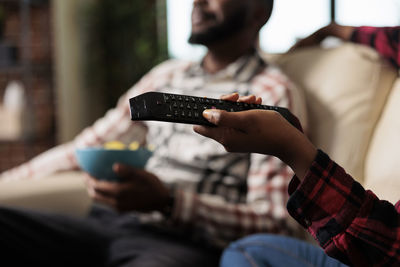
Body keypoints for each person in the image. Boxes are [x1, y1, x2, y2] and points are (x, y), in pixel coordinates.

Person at [0, 0, 308, 266]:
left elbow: (275, 224)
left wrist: (169, 202)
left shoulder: (272, 94)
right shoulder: (165, 75)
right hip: (105, 222)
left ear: (258, 13)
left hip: (181, 244)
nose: (197, 1)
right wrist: (6, 183)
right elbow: (85, 146)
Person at [193, 23, 400, 266]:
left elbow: (387, 247)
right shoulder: (171, 72)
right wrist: (327, 31)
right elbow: (389, 39)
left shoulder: (276, 87)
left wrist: (293, 148)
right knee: (247, 251)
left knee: (246, 252)